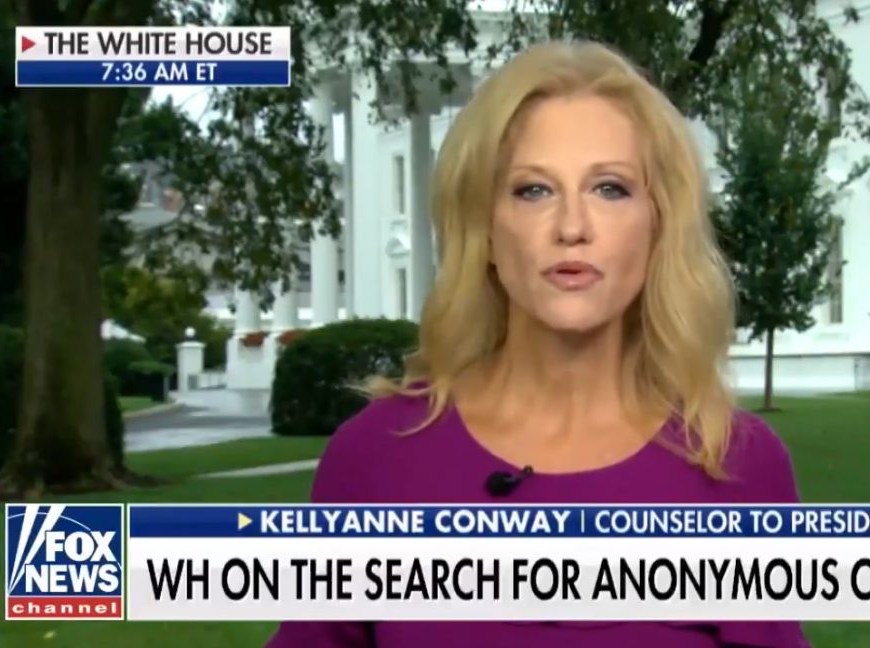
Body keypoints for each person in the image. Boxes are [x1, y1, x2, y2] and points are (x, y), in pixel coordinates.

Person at [267, 40, 810, 648]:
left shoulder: (736, 465)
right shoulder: (375, 458)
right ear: (484, 230)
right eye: (533, 191)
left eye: (610, 188)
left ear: (658, 225)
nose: (572, 227)